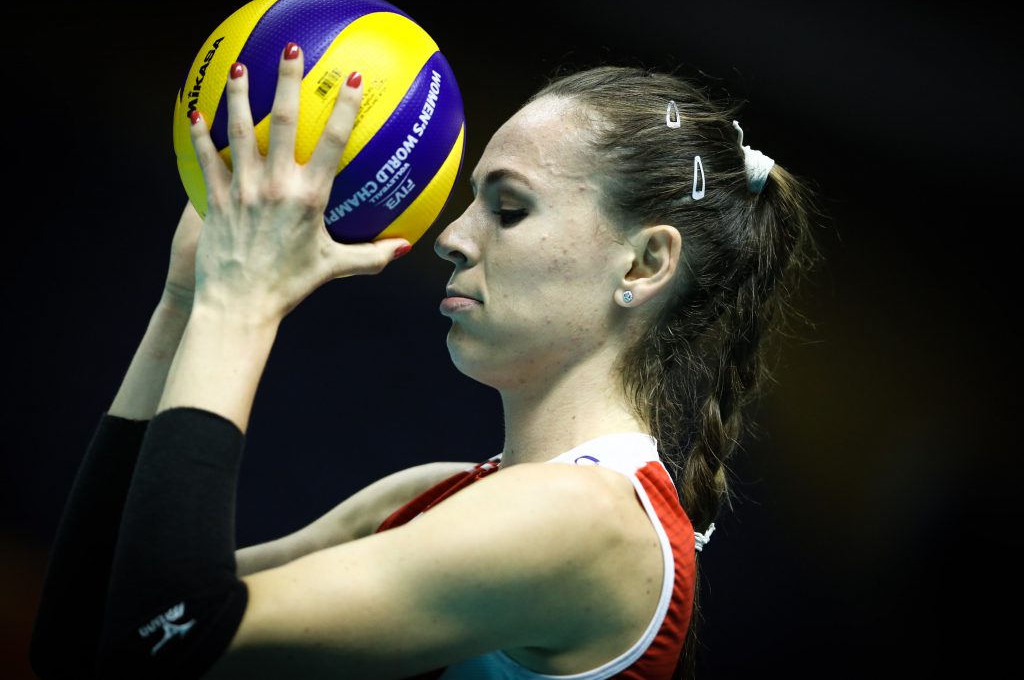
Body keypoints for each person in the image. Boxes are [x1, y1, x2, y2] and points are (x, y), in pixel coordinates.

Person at [29, 41, 818, 680]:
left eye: (508, 207)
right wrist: (184, 300)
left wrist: (239, 303)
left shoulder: (591, 521)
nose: (452, 236)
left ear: (644, 264)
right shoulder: (432, 497)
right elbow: (87, 643)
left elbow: (169, 636)